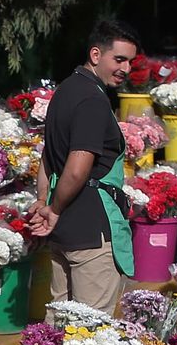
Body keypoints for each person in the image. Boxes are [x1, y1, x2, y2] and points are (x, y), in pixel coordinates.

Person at [27, 19, 138, 312]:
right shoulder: (92, 100)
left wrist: (44, 200)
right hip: (90, 228)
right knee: (92, 332)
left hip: (64, 229)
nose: (126, 69)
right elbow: (77, 167)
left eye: (130, 62)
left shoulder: (65, 90)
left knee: (59, 322)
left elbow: (47, 157)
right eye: (119, 59)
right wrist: (53, 209)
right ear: (95, 55)